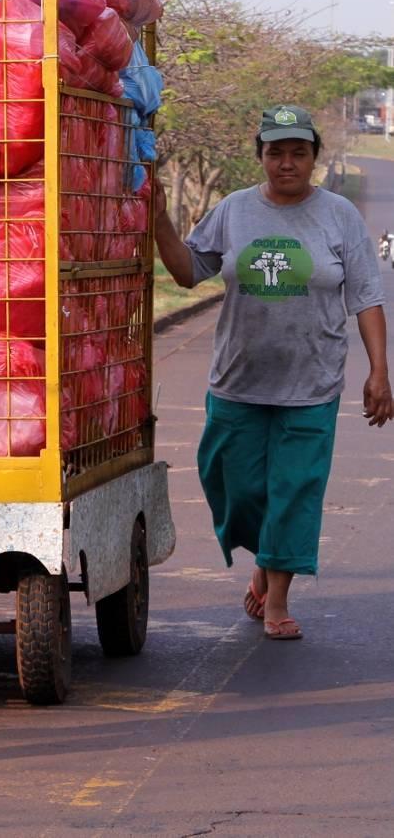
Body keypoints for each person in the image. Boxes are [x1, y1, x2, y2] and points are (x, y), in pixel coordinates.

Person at [153, 104, 392, 641]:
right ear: (260, 156)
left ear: (313, 158)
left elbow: (368, 298)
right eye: (275, 153)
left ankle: (278, 596)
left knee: (295, 490)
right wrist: (159, 220)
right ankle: (266, 552)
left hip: (311, 384)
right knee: (231, 485)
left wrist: (380, 372)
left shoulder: (339, 215)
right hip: (238, 380)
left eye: (298, 153)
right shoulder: (235, 209)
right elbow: (188, 272)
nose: (287, 163)